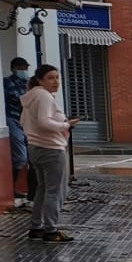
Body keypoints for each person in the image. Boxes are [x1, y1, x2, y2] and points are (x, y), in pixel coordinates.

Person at [21, 65, 80, 243]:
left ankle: (36, 227)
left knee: (42, 189)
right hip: (51, 149)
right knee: (54, 191)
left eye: (57, 77)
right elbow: (43, 122)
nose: (56, 82)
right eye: (50, 78)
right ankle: (51, 230)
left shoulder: (31, 97)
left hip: (35, 148)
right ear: (40, 80)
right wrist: (65, 125)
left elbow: (23, 121)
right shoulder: (44, 96)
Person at [4, 57, 32, 209]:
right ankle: (12, 187)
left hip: (26, 122)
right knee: (20, 156)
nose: (24, 70)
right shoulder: (8, 83)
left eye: (25, 67)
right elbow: (19, 100)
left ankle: (32, 191)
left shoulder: (28, 84)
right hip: (13, 119)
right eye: (21, 67)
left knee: (32, 156)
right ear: (14, 68)